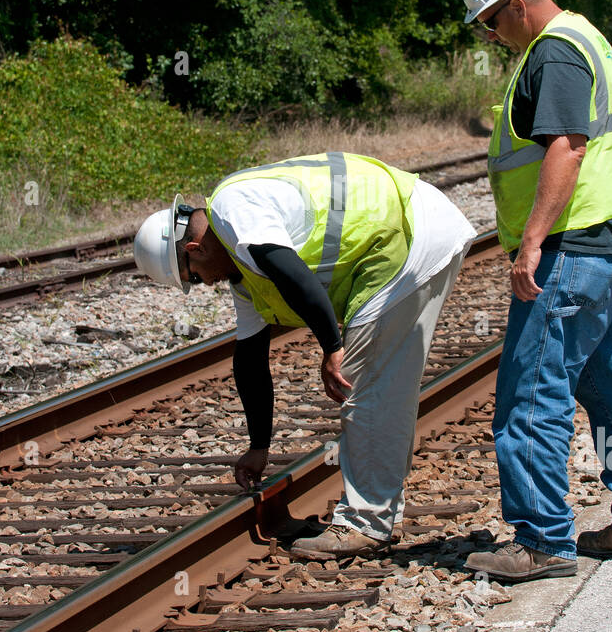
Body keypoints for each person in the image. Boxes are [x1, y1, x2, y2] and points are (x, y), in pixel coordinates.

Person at [133, 152, 475, 560]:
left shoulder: (233, 209)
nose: (205, 285)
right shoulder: (243, 270)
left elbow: (288, 268)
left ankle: (367, 525)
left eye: (194, 279)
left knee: (364, 387)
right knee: (377, 387)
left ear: (195, 249)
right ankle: (377, 514)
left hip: (406, 233)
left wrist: (332, 347)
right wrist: (259, 446)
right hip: (403, 236)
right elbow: (251, 358)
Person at [458, 0, 612, 584]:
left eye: (492, 21)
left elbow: (567, 149)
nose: (492, 36)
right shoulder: (585, 37)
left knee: (530, 391)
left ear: (519, 3)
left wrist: (531, 243)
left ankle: (544, 540)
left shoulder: (552, 50)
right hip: (609, 243)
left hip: (571, 248)